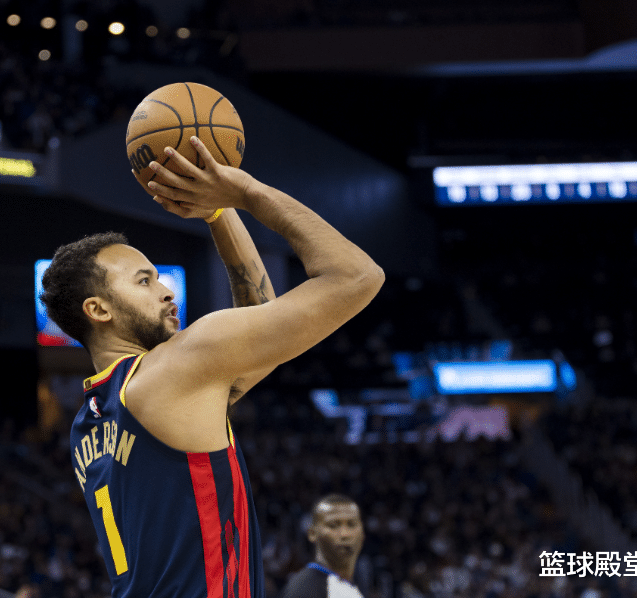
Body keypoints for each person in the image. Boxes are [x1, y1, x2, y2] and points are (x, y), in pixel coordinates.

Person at [40, 136, 384, 597]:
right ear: (99, 310)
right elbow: (358, 276)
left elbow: (258, 324)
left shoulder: (89, 420)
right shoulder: (175, 369)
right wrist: (244, 192)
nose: (166, 291)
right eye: (144, 282)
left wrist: (218, 214)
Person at [280, 495, 366, 598]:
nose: (345, 534)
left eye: (351, 524)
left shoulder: (348, 585)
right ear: (313, 533)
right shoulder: (304, 589)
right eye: (333, 525)